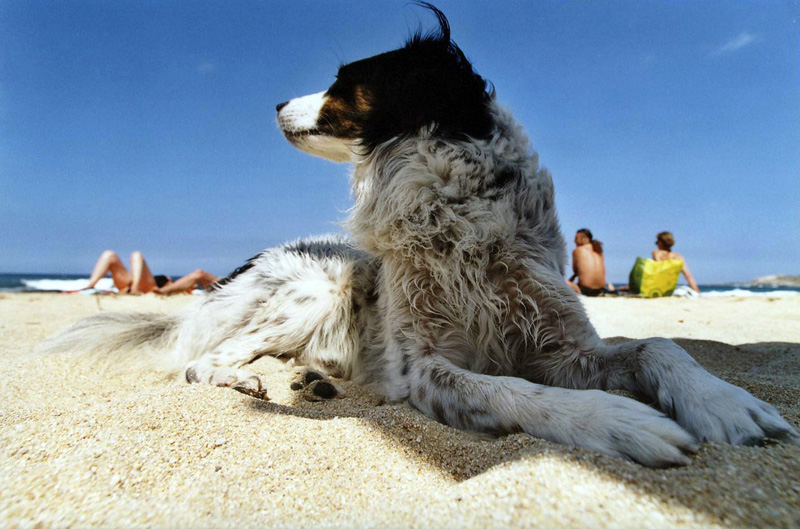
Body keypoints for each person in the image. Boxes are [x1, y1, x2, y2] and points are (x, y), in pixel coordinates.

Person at [78, 250, 218, 295]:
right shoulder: (171, 281)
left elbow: (191, 286)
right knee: (109, 254)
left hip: (146, 287)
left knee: (137, 255)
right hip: (133, 284)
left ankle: (135, 289)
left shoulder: (172, 286)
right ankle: (91, 284)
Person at [566, 228, 613, 297]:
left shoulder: (577, 250)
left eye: (576, 238)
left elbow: (576, 271)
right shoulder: (598, 250)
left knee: (559, 281)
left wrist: (569, 282)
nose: (574, 241)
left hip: (586, 290)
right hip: (601, 289)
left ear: (585, 238)